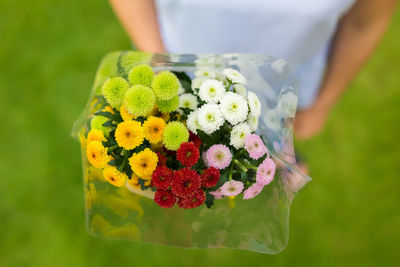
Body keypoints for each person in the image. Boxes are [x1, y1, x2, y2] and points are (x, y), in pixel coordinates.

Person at [109, 0, 397, 140]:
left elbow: (364, 24)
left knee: (261, 155)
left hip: (284, 91)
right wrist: (159, 61)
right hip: (174, 70)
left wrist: (323, 103)